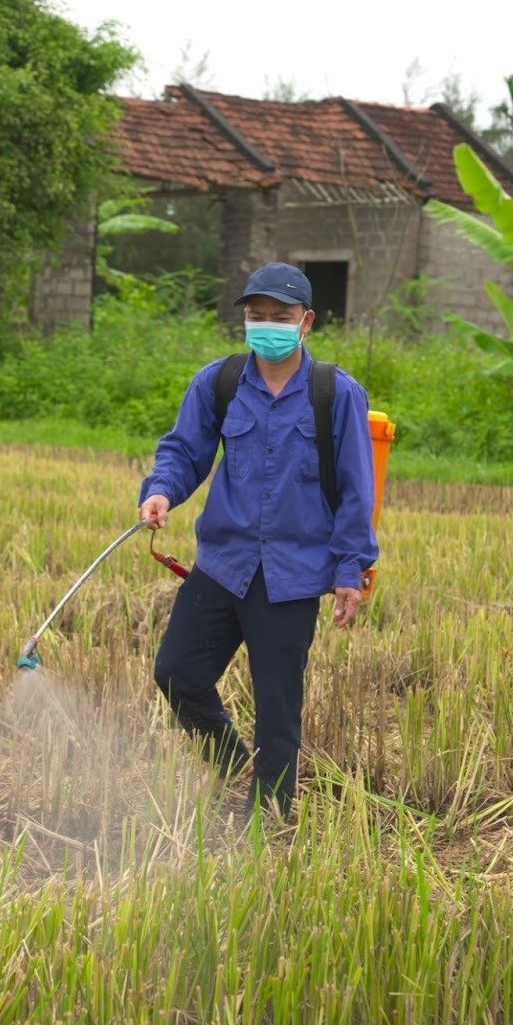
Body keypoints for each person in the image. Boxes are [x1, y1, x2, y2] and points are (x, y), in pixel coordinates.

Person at [138, 261, 379, 818]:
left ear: (307, 321)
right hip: (223, 562)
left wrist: (350, 570)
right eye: (257, 316)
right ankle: (228, 759)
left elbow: (355, 491)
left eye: (281, 316)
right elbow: (184, 450)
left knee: (277, 707)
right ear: (245, 319)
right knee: (176, 674)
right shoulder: (219, 383)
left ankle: (266, 816)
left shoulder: (336, 394)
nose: (267, 325)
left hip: (291, 576)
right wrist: (162, 492)